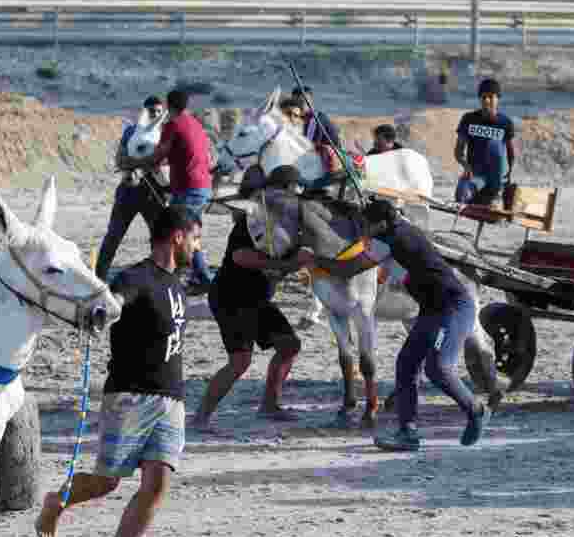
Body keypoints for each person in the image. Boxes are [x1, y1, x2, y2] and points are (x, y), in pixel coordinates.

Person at [35, 205, 202, 537]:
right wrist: (102, 312)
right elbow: (115, 302)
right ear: (176, 236)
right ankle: (54, 502)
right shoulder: (136, 277)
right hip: (130, 397)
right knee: (106, 482)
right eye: (195, 236)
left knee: (158, 484)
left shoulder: (177, 283)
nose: (198, 244)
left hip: (171, 399)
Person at [300, 199, 494, 452]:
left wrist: (314, 261)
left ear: (381, 224)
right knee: (406, 365)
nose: (363, 230)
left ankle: (477, 409)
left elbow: (348, 269)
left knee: (438, 368)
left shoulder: (389, 241)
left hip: (454, 309)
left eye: (366, 225)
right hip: (432, 310)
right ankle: (407, 433)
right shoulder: (397, 230)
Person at [192, 165, 311, 429]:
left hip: (256, 298)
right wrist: (286, 266)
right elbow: (241, 257)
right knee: (240, 361)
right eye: (295, 190)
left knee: (289, 345)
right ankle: (201, 417)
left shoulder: (287, 222)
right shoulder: (254, 218)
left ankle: (269, 406)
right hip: (231, 297)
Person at [119, 89, 214, 292]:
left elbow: (158, 155)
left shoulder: (173, 124)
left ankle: (179, 279)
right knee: (189, 234)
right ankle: (202, 278)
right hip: (203, 186)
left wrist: (134, 162)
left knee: (176, 233)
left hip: (189, 188)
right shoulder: (195, 123)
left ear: (168, 107)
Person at [94, 95, 168, 281]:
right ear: (144, 112)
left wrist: (147, 167)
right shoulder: (130, 132)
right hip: (129, 189)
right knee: (114, 234)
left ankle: (158, 276)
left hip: (154, 192)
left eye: (159, 111)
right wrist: (140, 165)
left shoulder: (166, 134)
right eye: (152, 111)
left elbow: (166, 163)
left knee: (157, 236)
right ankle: (99, 276)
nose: (156, 114)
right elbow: (120, 159)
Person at [454, 78, 515, 206]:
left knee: (494, 144)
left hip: (497, 177)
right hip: (477, 175)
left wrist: (506, 179)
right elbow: (458, 151)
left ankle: (496, 193)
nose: (487, 101)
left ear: (498, 99)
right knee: (461, 195)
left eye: (491, 97)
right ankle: (483, 198)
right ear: (479, 99)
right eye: (483, 97)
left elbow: (510, 154)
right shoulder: (468, 119)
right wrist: (466, 167)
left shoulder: (505, 123)